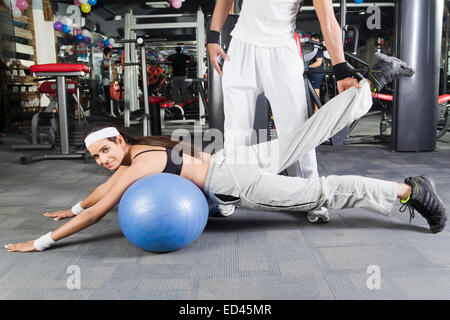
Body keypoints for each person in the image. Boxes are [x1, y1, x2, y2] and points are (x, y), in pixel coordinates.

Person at [4, 53, 447, 253]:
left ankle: (409, 192)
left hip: (235, 178)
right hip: (232, 163)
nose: (103, 161)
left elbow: (99, 212)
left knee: (321, 192)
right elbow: (101, 191)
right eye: (96, 157)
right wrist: (72, 204)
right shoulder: (141, 148)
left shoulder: (136, 163)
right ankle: (375, 85)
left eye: (104, 150)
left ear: (118, 141)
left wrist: (43, 241)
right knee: (305, 134)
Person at [207, 0, 359, 218]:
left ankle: (310, 194)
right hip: (240, 47)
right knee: (236, 129)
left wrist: (341, 70)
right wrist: (213, 37)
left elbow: (328, 20)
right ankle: (230, 191)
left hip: (282, 50)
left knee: (296, 128)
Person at [307, 33, 325, 113]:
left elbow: (318, 62)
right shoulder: (313, 49)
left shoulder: (318, 50)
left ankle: (317, 110)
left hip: (316, 73)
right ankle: (313, 109)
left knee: (315, 91)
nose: (311, 41)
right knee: (312, 92)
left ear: (317, 40)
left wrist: (307, 67)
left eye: (313, 39)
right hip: (312, 73)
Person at [101, 47, 112, 114]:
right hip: (107, 82)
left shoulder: (108, 60)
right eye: (111, 52)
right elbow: (106, 71)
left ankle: (109, 110)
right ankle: (108, 111)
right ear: (108, 53)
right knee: (108, 97)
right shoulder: (106, 61)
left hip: (108, 81)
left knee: (109, 97)